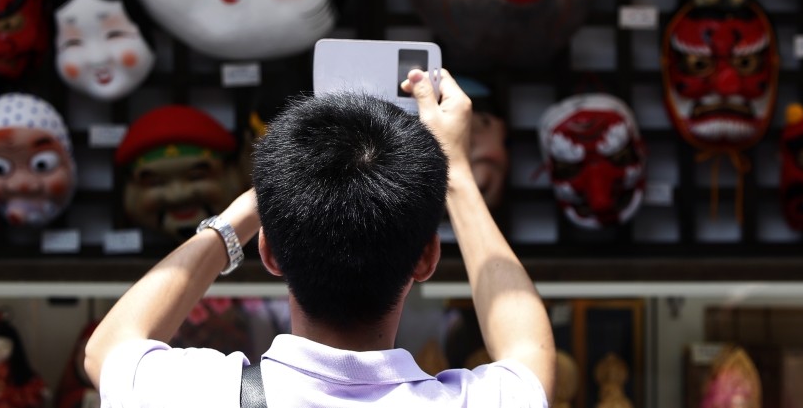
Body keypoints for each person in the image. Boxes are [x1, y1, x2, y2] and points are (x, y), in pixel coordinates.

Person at [85, 69, 555, 406]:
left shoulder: (195, 395)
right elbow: (528, 349)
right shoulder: (487, 400)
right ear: (426, 258)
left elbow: (109, 347)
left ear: (268, 252)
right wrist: (455, 171)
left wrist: (253, 205)